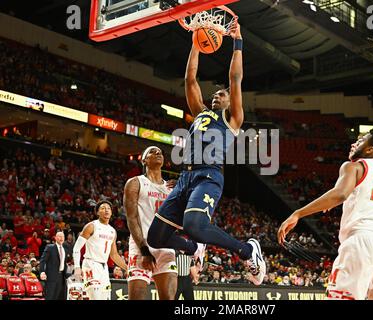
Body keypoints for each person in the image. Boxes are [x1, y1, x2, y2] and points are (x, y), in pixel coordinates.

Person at [147, 22, 265, 286]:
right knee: (155, 238)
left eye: (221, 94)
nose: (216, 95)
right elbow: (190, 79)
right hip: (185, 178)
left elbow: (235, 79)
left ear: (229, 100)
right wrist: (196, 44)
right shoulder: (201, 113)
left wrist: (238, 42)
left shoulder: (233, 118)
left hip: (209, 176)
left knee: (194, 227)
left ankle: (247, 251)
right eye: (215, 94)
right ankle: (193, 250)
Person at [278, 129, 373, 300]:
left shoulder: (354, 166)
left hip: (361, 241)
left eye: (361, 141)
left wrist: (298, 213)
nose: (354, 143)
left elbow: (340, 194)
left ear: (370, 150)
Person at [123, 146, 178, 300]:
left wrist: (182, 190)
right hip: (142, 245)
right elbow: (131, 218)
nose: (158, 153)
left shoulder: (172, 188)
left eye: (160, 152)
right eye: (153, 152)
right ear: (144, 160)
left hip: (165, 246)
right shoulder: (135, 183)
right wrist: (144, 250)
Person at [72, 200, 127, 300]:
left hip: (104, 268)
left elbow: (114, 255)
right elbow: (76, 248)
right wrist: (77, 267)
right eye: (103, 208)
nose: (106, 210)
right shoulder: (91, 226)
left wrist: (127, 268)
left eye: (108, 208)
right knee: (95, 296)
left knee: (105, 297)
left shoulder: (112, 231)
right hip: (90, 264)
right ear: (97, 212)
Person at [39, 231, 70, 300]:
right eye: (59, 236)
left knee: (60, 297)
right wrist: (42, 271)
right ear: (55, 238)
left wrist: (69, 274)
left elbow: (63, 263)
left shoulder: (65, 249)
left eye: (63, 236)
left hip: (62, 277)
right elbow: (43, 260)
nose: (61, 238)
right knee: (50, 297)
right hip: (51, 277)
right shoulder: (50, 247)